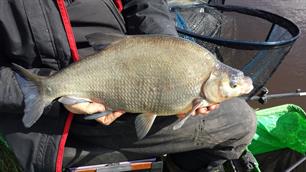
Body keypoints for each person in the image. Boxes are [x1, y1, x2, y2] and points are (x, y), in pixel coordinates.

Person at [0, 0, 256, 171]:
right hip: (58, 121)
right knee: (239, 122)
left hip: (128, 64)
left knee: (238, 118)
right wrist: (59, 96)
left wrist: (168, 52)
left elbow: (144, 3)